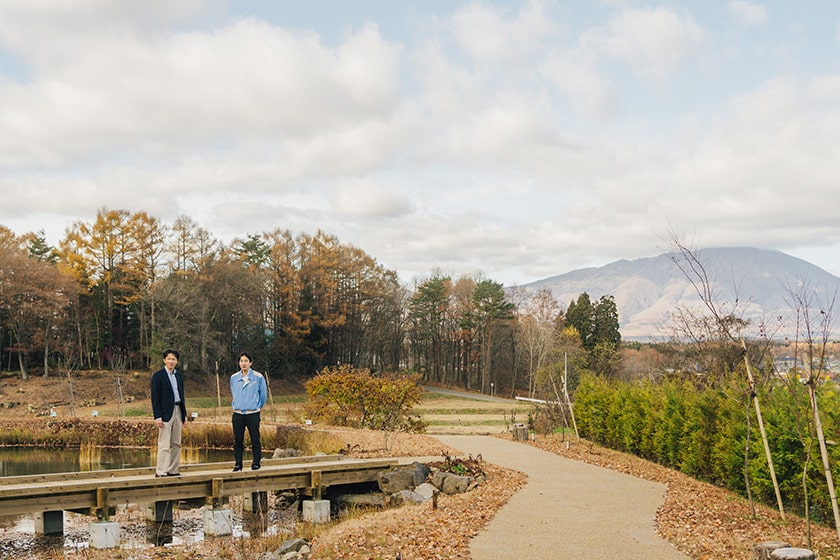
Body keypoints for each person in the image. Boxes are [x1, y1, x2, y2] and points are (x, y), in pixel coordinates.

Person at [150, 349, 187, 477]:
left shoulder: (178, 375)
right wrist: (157, 416)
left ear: (177, 361)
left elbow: (182, 395)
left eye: (174, 359)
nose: (171, 361)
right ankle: (161, 471)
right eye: (169, 359)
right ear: (164, 360)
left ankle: (173, 469)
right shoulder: (158, 376)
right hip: (165, 413)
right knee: (164, 443)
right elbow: (155, 398)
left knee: (176, 443)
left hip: (178, 410)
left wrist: (184, 413)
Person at [230, 352, 268, 471]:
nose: (244, 363)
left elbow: (263, 395)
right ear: (239, 363)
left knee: (255, 439)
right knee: (238, 441)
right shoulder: (234, 378)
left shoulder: (258, 377)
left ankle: (256, 462)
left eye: (246, 361)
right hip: (238, 413)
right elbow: (233, 392)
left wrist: (256, 406)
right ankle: (238, 464)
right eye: (241, 361)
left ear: (250, 363)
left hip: (253, 413)